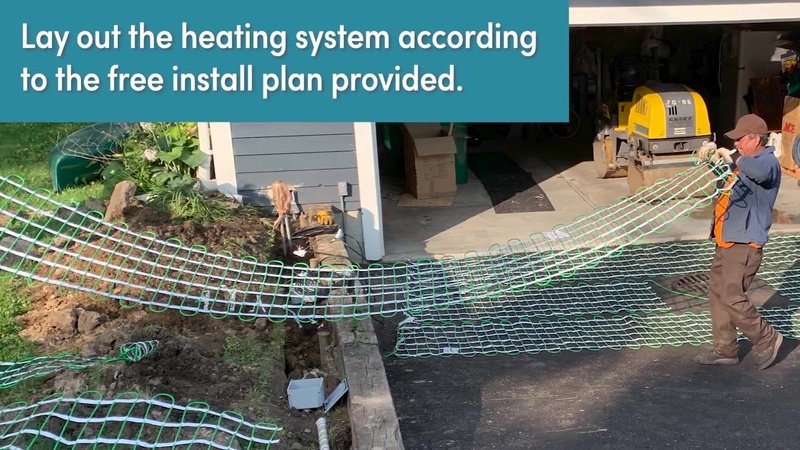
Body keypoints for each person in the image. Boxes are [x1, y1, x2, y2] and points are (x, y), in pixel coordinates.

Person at [696, 113, 783, 370]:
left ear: (755, 140)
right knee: (718, 293)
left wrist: (733, 158)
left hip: (744, 243)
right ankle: (725, 349)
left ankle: (766, 338)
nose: (736, 144)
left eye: (740, 139)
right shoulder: (744, 163)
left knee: (732, 295)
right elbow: (728, 184)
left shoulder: (767, 162)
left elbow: (758, 173)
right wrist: (712, 161)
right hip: (727, 240)